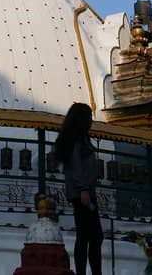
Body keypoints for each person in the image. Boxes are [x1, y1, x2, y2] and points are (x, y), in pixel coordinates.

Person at [55, 103, 102, 275]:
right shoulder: (76, 140)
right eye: (88, 116)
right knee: (88, 236)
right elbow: (75, 166)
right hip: (82, 194)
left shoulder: (81, 138)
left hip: (86, 192)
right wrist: (83, 189)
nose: (91, 120)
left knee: (92, 236)